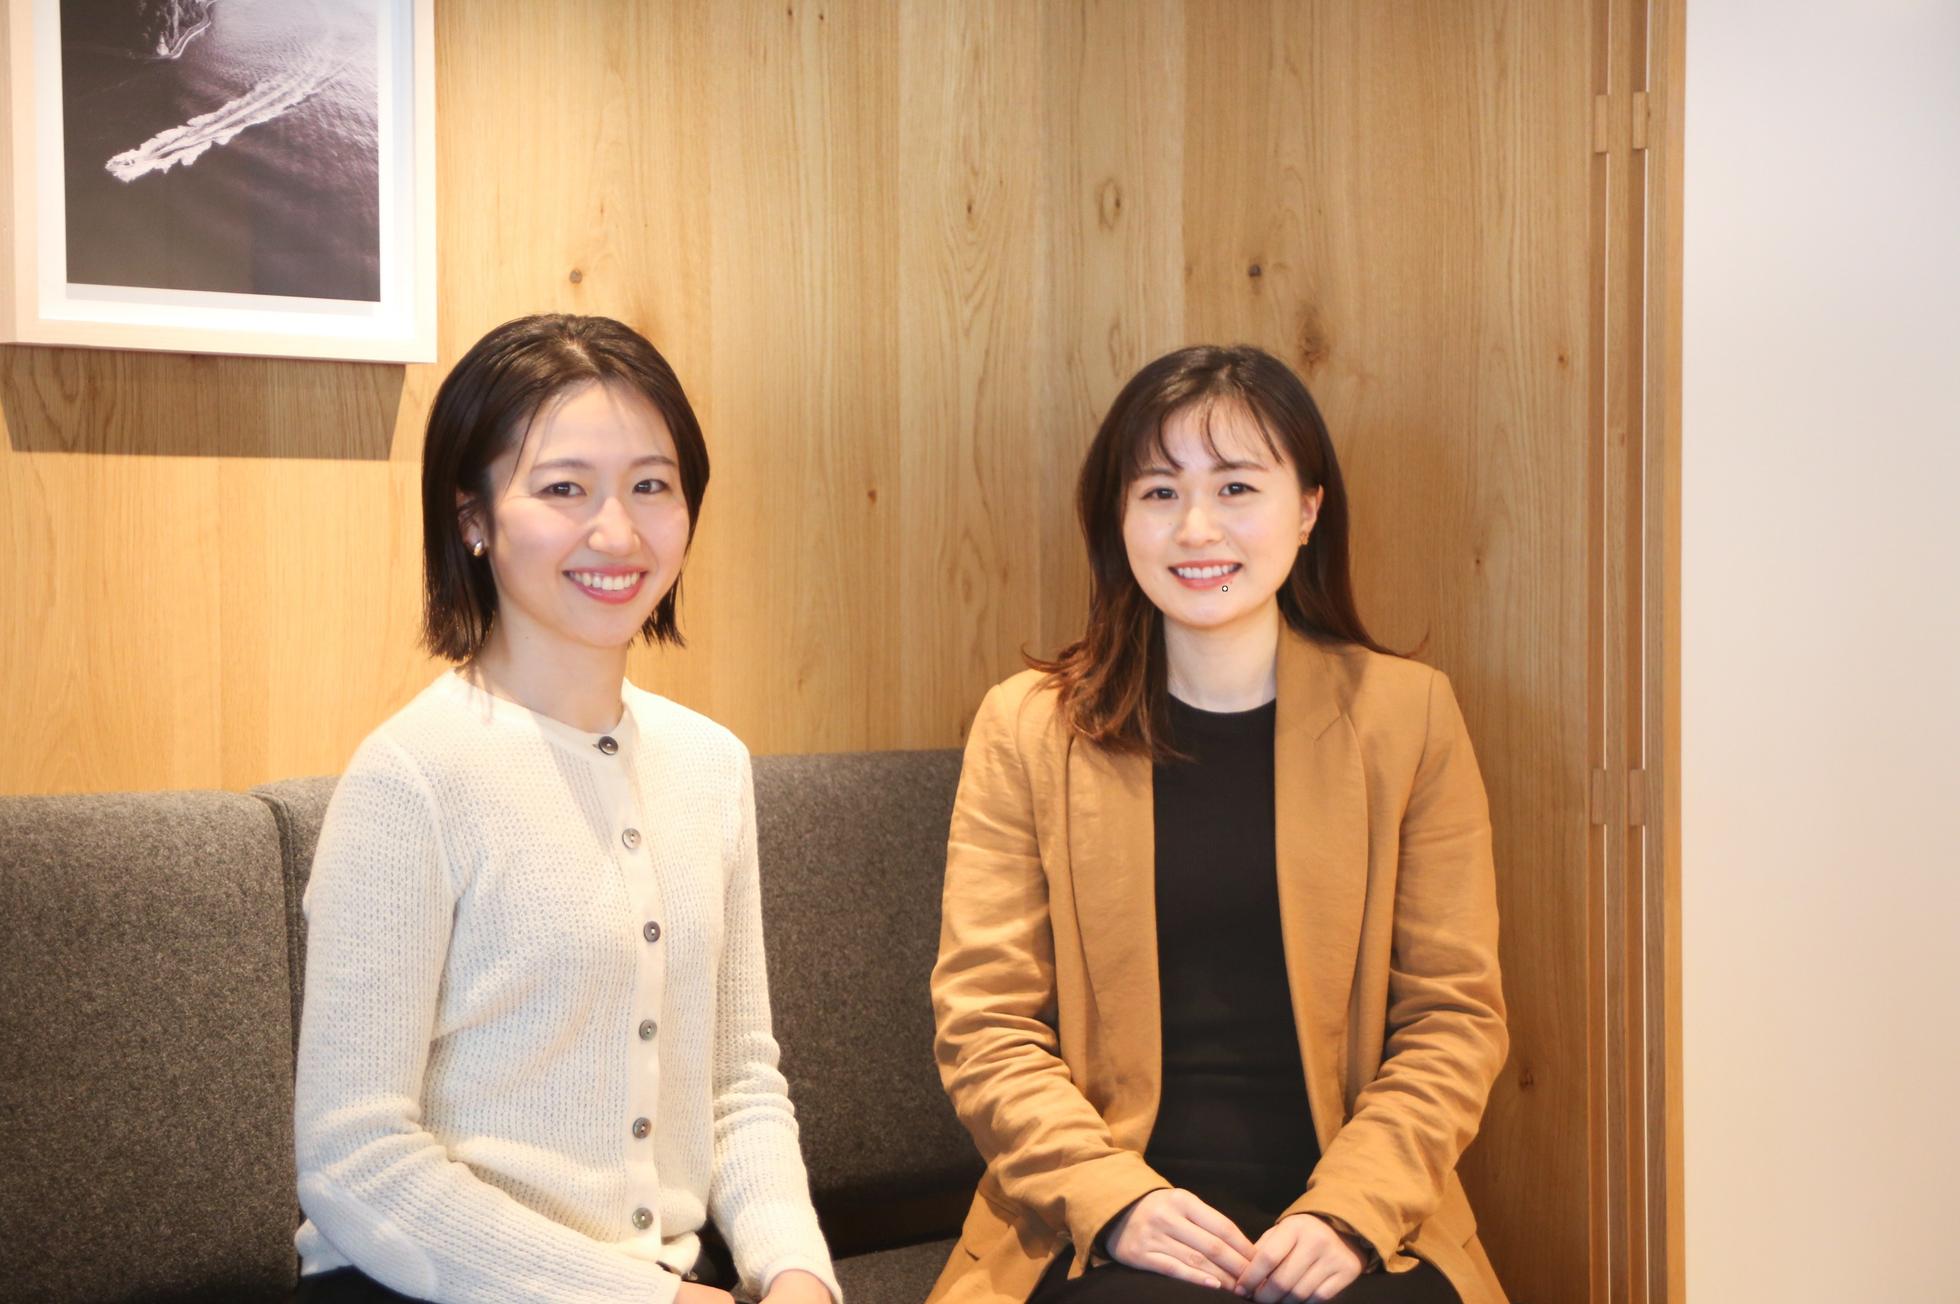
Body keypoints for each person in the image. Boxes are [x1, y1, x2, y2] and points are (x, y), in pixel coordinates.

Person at [926, 345, 1509, 1304]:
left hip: (1356, 1227)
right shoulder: (1027, 727)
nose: (1196, 527)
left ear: (1308, 509)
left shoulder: (1409, 718)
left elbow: (1452, 1018)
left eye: (1236, 486)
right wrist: (1117, 1200)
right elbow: (987, 1023)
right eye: (1159, 492)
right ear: (1118, 519)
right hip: (1103, 1229)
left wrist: (1349, 1211)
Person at [292, 314, 839, 1304]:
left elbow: (738, 1085)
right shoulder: (411, 777)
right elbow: (354, 1157)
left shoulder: (710, 765)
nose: (617, 532)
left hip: (677, 1275)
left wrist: (796, 1272)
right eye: (563, 488)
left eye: (651, 485)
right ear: (472, 518)